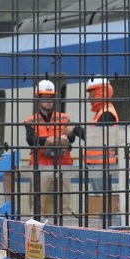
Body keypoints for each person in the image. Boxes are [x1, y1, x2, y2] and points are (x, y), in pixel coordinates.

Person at [23, 79, 84, 221]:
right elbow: (32, 141)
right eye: (45, 98)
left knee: (65, 206)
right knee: (37, 205)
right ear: (38, 99)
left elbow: (72, 138)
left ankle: (66, 232)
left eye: (51, 98)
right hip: (41, 167)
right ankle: (36, 233)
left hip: (63, 165)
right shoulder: (31, 121)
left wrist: (63, 139)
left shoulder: (64, 118)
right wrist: (48, 141)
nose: (49, 101)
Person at [83, 78, 120, 226]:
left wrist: (76, 130)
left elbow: (98, 138)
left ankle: (106, 226)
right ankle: (105, 223)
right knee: (101, 200)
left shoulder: (106, 113)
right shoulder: (102, 112)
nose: (89, 98)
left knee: (103, 200)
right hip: (97, 165)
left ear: (99, 92)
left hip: (102, 166)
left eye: (91, 93)